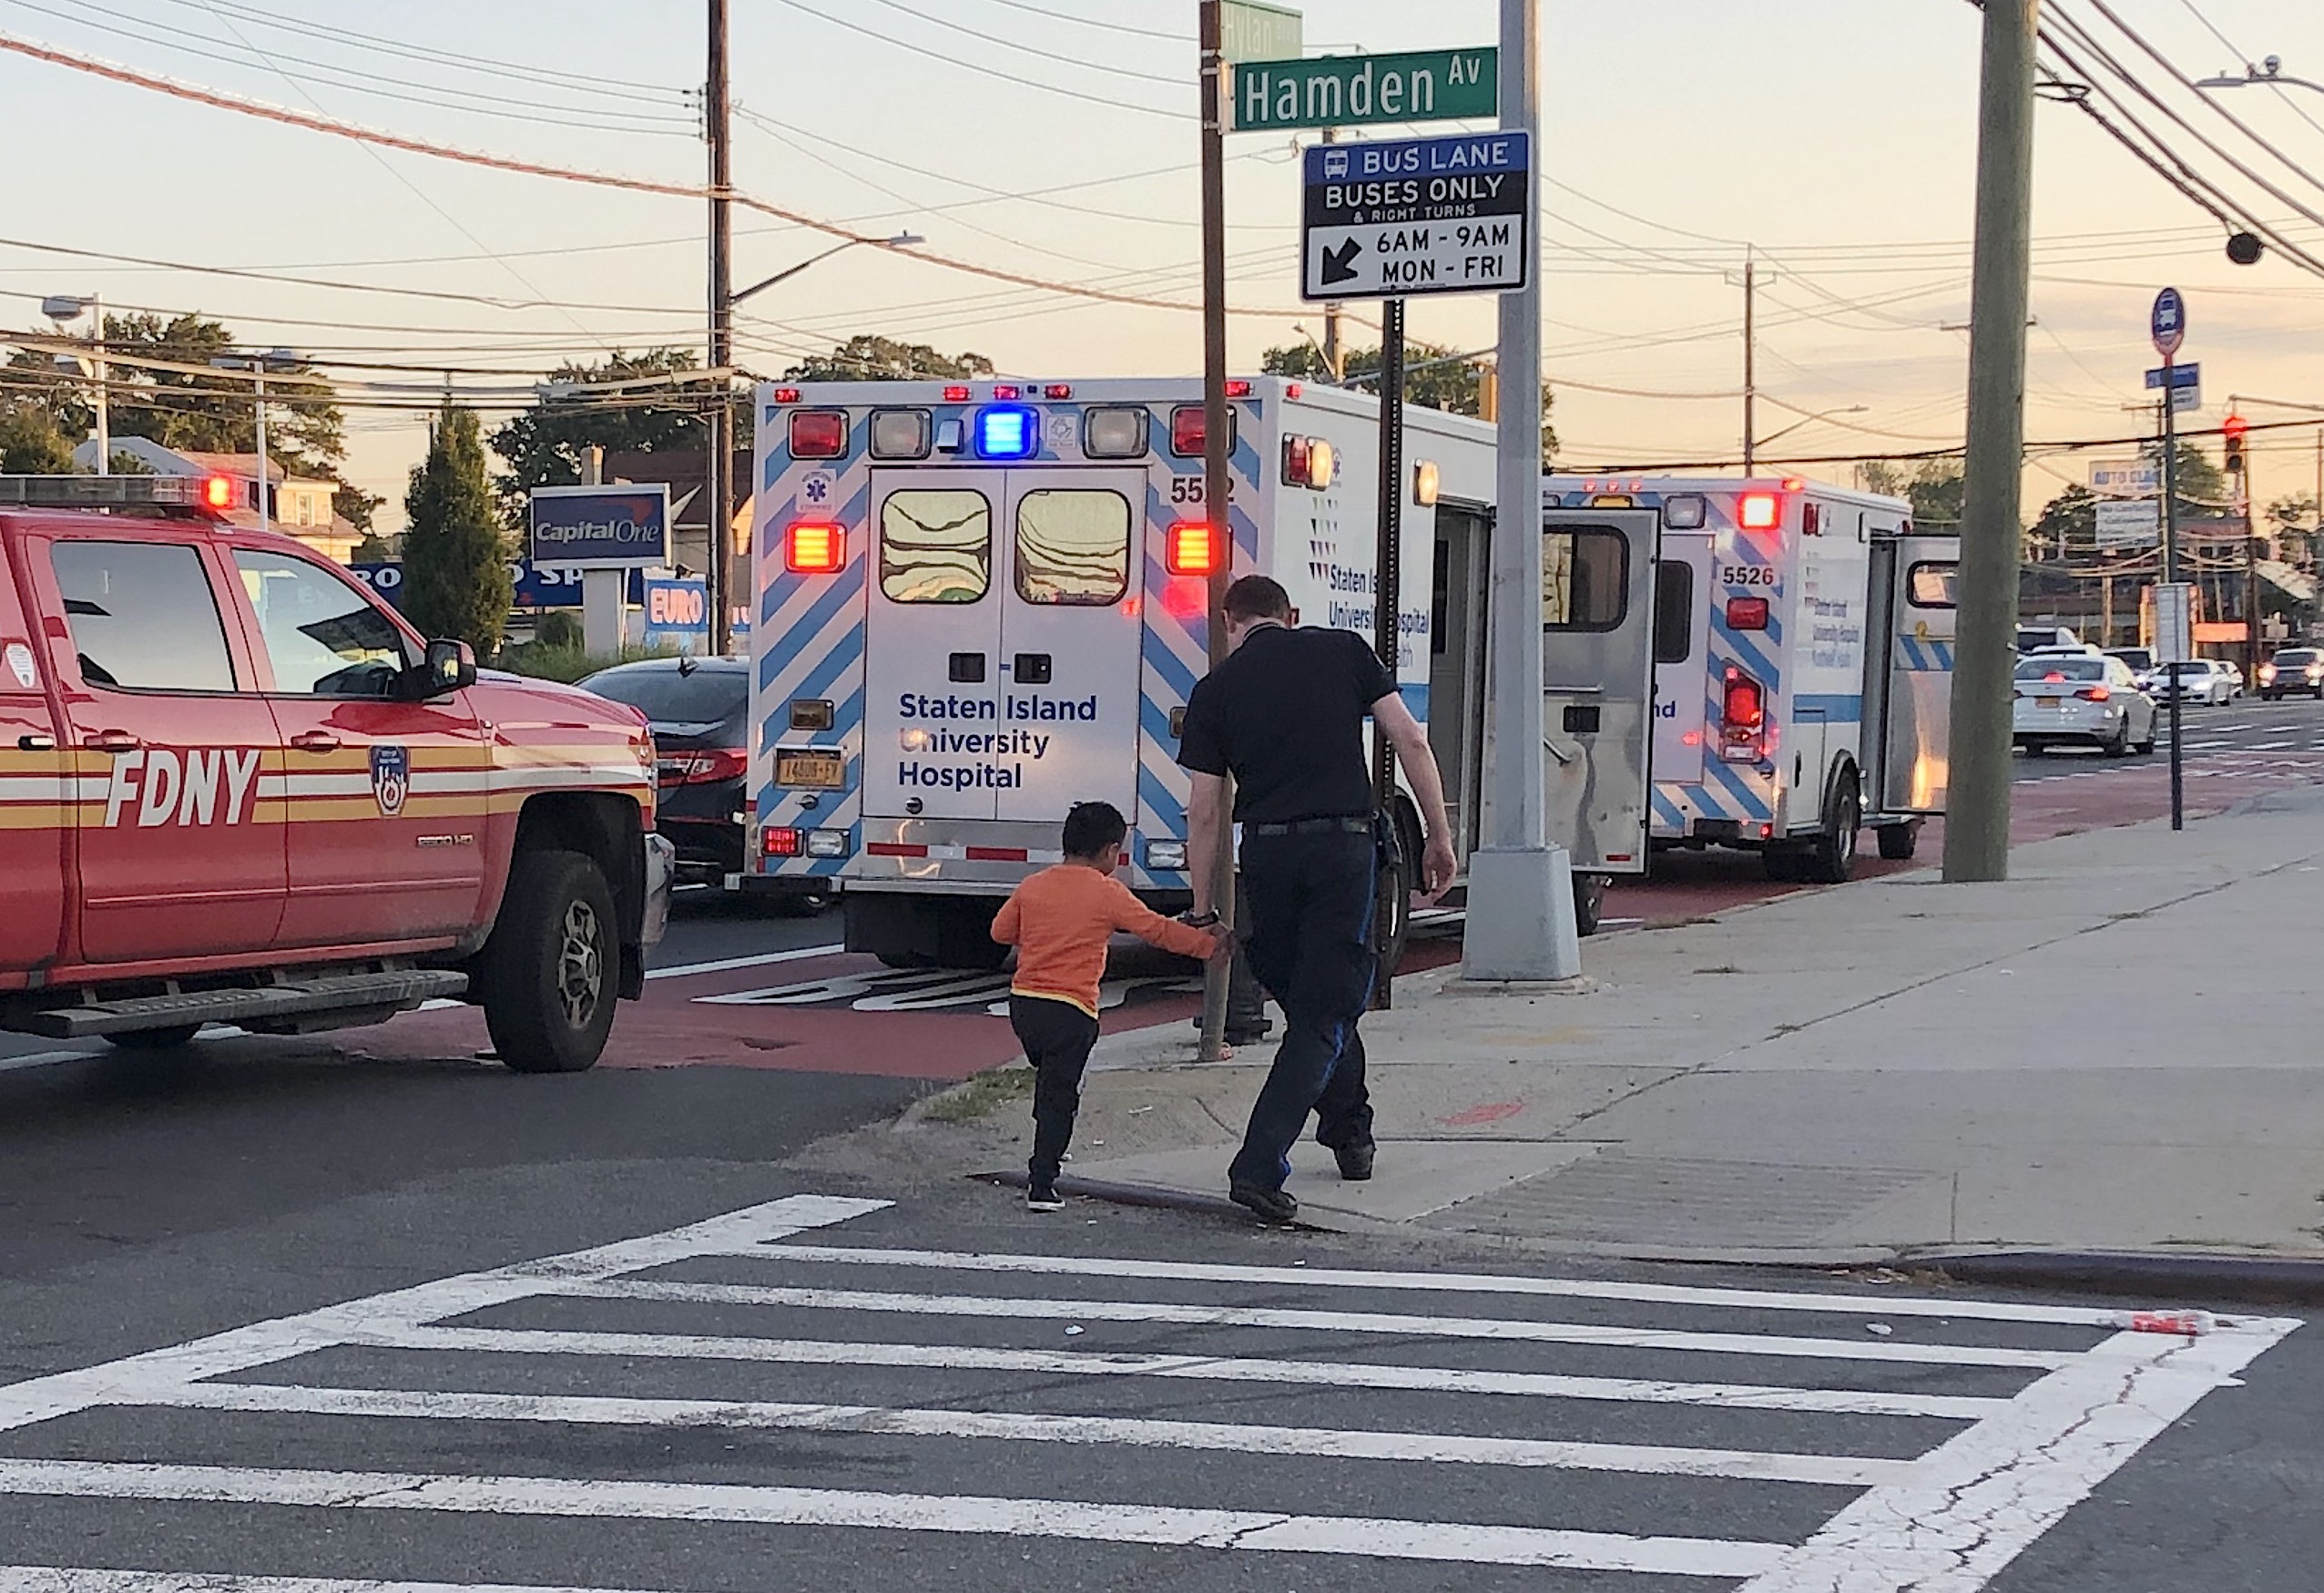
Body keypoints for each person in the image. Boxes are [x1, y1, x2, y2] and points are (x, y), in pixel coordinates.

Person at [1177, 574, 1456, 1224]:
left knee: (1315, 1005)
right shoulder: (1343, 650)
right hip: (1343, 850)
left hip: (1268, 855)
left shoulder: (1215, 689)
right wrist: (1438, 835)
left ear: (1230, 622)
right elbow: (1410, 740)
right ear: (1290, 615)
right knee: (1326, 1008)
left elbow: (1205, 812)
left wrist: (1203, 910)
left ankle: (1350, 1131)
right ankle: (1258, 1164)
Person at [990, 801, 1228, 1212]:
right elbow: (1156, 930)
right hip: (1071, 1008)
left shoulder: (1033, 885)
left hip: (1024, 1005)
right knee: (1060, 1094)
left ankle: (1052, 1141)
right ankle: (1042, 1182)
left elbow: (1000, 932)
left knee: (1053, 1082)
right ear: (1110, 850)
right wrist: (1209, 947)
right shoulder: (1107, 892)